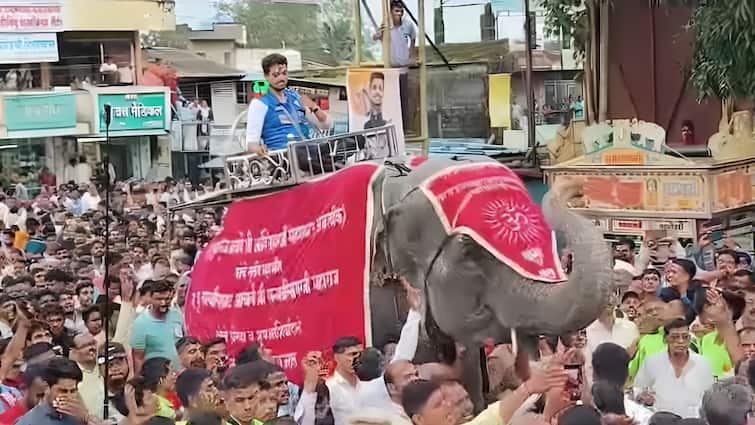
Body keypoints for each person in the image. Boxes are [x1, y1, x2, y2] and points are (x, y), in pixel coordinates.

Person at [245, 54, 332, 154]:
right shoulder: (260, 103)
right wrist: (260, 150)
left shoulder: (295, 98)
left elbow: (326, 125)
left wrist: (315, 108)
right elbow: (251, 144)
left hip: (308, 149)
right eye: (276, 75)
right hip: (284, 156)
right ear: (266, 76)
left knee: (343, 145)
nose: (281, 78)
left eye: (284, 73)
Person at [633, 319, 715, 417]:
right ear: (666, 339)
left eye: (685, 337)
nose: (681, 341)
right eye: (675, 337)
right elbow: (638, 389)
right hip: (661, 419)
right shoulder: (652, 362)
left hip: (693, 420)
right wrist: (642, 397)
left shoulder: (703, 363)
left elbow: (710, 396)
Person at [131, 280, 184, 375]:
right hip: (157, 376)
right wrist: (139, 380)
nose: (163, 303)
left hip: (179, 373)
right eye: (159, 299)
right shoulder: (141, 323)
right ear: (150, 298)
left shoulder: (177, 315)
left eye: (167, 299)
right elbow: (138, 357)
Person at [16, 357, 90, 425]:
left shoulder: (80, 417)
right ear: (47, 388)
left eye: (73, 391)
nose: (69, 397)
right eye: (63, 391)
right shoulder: (29, 422)